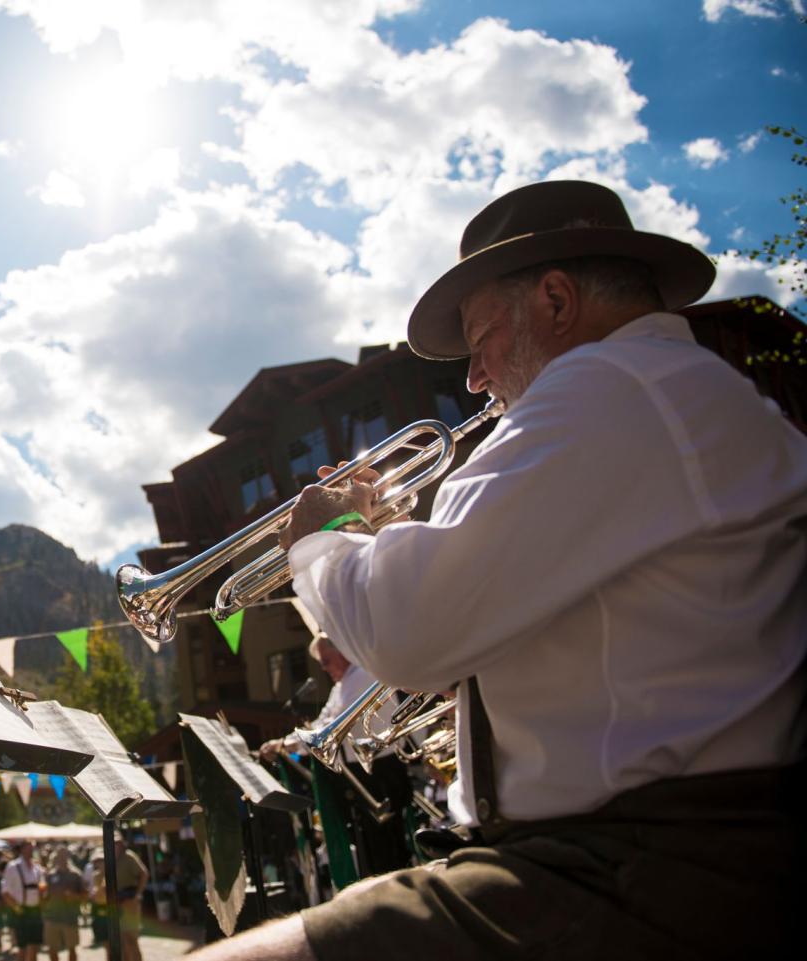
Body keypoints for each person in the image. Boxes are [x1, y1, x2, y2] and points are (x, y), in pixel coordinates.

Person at [189, 179, 807, 960]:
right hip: (651, 855)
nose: (475, 379)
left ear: (554, 301)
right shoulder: (688, 394)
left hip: (631, 869)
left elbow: (408, 631)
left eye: (481, 340)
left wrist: (323, 538)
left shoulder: (603, 388)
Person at [259, 636, 415, 880]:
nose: (323, 668)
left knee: (388, 850)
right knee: (372, 850)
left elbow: (332, 726)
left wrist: (287, 744)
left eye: (326, 661)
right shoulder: (341, 686)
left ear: (342, 652)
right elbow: (322, 724)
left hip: (380, 771)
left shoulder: (362, 676)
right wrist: (286, 742)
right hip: (364, 772)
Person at [0, 842, 42, 961]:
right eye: (29, 849)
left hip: (35, 910)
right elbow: (5, 891)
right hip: (20, 910)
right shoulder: (13, 866)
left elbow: (42, 887)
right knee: (22, 946)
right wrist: (16, 908)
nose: (31, 851)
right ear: (22, 850)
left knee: (34, 945)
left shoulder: (37, 868)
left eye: (32, 849)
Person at [40, 849, 84, 961]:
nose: (61, 859)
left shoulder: (75, 874)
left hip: (70, 917)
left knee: (72, 948)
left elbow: (84, 895)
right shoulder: (49, 875)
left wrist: (73, 896)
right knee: (52, 949)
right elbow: (43, 896)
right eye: (58, 857)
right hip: (52, 917)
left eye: (63, 856)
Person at [112, 840, 148, 961]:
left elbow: (144, 874)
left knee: (131, 939)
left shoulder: (129, 856)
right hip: (117, 902)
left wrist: (137, 895)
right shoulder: (111, 858)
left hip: (129, 900)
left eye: (117, 843)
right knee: (122, 942)